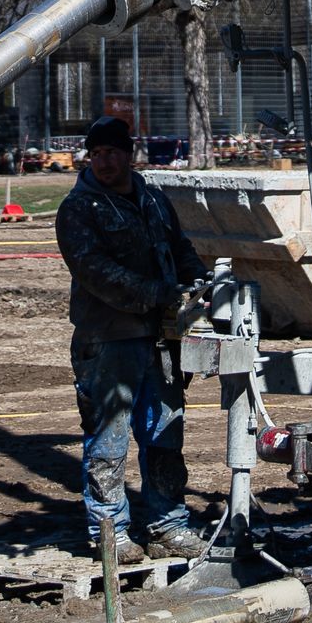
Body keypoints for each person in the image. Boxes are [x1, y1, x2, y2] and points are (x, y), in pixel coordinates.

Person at [54, 114, 208, 559]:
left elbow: (180, 249)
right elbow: (97, 273)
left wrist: (198, 282)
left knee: (164, 436)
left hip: (160, 342)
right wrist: (162, 294)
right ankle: (110, 533)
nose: (104, 161)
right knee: (108, 440)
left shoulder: (154, 200)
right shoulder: (80, 210)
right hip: (108, 341)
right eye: (96, 153)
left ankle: (167, 525)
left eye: (112, 152)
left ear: (129, 153)